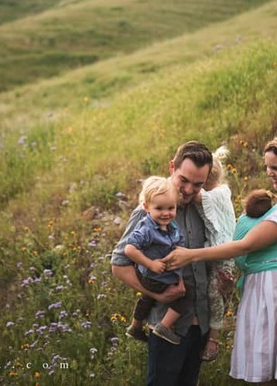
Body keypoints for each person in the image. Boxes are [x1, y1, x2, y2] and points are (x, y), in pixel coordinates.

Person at [164, 133, 277, 384]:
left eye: (276, 167)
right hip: (270, 288)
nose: (270, 173)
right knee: (268, 365)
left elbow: (246, 245)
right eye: (267, 167)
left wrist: (191, 255)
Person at [111, 141, 213, 386]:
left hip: (200, 323)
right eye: (183, 180)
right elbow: (119, 264)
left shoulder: (204, 209)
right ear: (171, 168)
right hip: (167, 326)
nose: (189, 190)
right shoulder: (149, 211)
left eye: (198, 184)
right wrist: (156, 294)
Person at [125, 176, 191, 345]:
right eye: (159, 208)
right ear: (146, 207)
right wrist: (150, 264)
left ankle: (135, 326)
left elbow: (179, 244)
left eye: (171, 208)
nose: (166, 213)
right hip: (153, 275)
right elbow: (129, 249)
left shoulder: (172, 225)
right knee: (186, 296)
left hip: (154, 276)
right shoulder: (146, 228)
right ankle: (164, 326)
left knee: (147, 298)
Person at [193, 146, 236, 362]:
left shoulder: (218, 193)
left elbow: (197, 196)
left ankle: (215, 336)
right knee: (210, 288)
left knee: (215, 291)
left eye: (198, 182)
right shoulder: (214, 190)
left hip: (223, 251)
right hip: (213, 250)